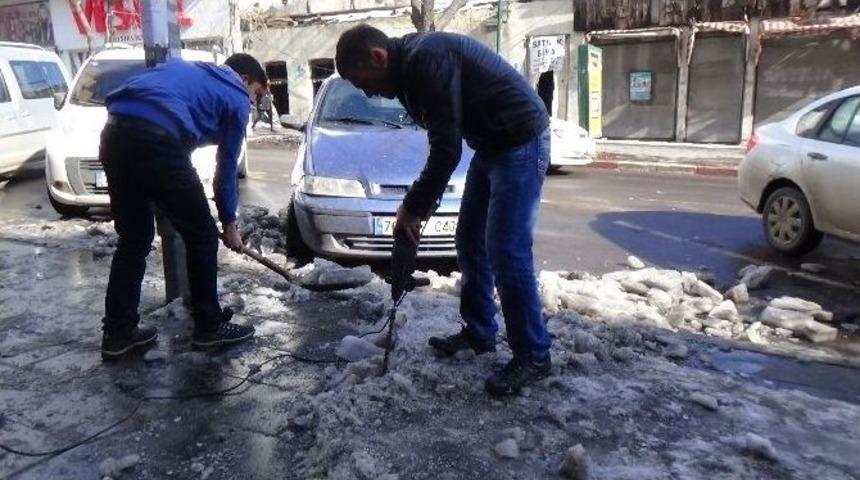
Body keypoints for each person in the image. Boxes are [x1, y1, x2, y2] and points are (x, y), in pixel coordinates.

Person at [336, 25, 552, 396]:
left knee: (506, 249)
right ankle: (480, 332)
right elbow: (443, 138)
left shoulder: (426, 58)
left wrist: (412, 208)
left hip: (520, 140)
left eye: (365, 82)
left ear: (378, 57)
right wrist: (420, 207)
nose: (368, 91)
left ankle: (533, 354)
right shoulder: (405, 73)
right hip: (490, 144)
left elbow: (447, 148)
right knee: (468, 240)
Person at [99, 53, 267, 360]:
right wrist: (229, 222)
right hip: (156, 140)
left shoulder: (187, 71)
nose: (253, 103)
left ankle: (118, 333)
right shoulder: (236, 94)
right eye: (257, 93)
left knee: (134, 239)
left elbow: (173, 138)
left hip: (114, 134)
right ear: (244, 80)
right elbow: (227, 167)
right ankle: (209, 328)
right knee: (202, 235)